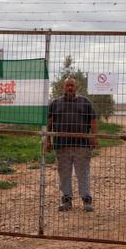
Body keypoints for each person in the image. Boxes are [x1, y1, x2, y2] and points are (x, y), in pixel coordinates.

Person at [49, 77, 98, 212]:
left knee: (83, 173)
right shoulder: (55, 103)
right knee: (64, 174)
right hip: (61, 145)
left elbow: (93, 120)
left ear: (76, 87)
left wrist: (94, 138)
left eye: (72, 85)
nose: (70, 88)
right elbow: (49, 122)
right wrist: (47, 140)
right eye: (67, 85)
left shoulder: (85, 102)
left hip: (81, 145)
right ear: (63, 87)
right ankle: (66, 200)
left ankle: (86, 200)